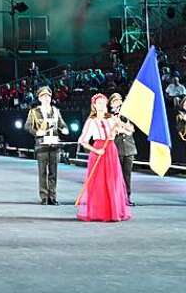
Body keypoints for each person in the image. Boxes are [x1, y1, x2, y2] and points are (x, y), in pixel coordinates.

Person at [76, 93, 131, 222]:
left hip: (111, 150)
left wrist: (123, 124)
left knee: (113, 181)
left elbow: (128, 131)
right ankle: (100, 212)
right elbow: (83, 141)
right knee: (99, 183)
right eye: (98, 103)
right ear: (94, 105)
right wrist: (96, 150)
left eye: (103, 103)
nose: (101, 105)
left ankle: (114, 211)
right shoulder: (91, 121)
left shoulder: (111, 119)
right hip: (98, 152)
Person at [25, 85, 69, 205]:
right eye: (43, 96)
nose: (46, 98)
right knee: (43, 172)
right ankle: (44, 196)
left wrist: (64, 129)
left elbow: (62, 124)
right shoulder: (34, 112)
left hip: (54, 144)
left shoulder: (55, 111)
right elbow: (27, 126)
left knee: (53, 172)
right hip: (42, 145)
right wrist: (36, 132)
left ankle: (53, 197)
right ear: (39, 98)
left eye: (48, 96)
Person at [109, 93, 137, 206]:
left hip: (129, 147)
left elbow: (131, 129)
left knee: (127, 174)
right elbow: (111, 131)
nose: (117, 102)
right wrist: (119, 126)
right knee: (116, 174)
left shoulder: (126, 114)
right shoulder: (108, 115)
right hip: (116, 146)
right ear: (111, 103)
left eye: (119, 100)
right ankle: (116, 197)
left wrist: (120, 124)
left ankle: (127, 196)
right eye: (114, 101)